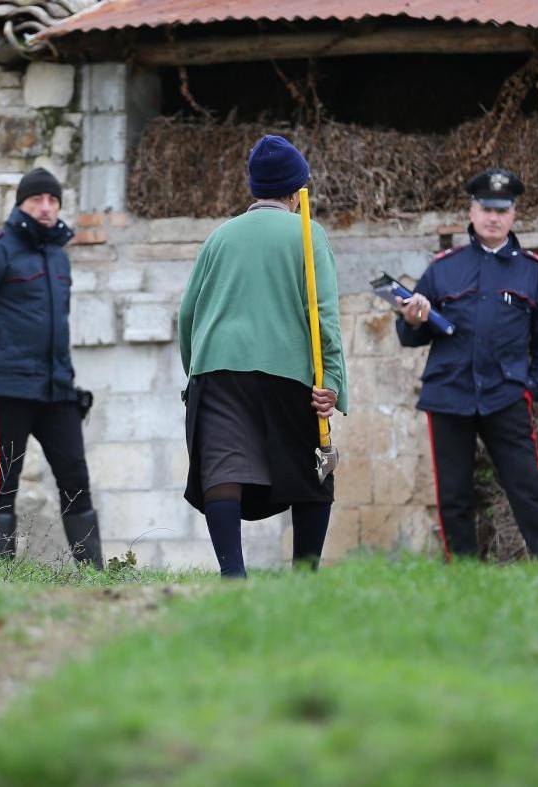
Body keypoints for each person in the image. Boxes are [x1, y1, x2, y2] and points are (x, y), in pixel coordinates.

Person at [178, 135, 348, 578]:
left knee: (223, 466)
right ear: (296, 191)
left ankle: (232, 574)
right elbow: (323, 315)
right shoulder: (308, 234)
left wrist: (193, 374)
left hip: (215, 367)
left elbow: (187, 314)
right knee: (314, 471)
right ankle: (305, 577)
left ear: (254, 188)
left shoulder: (219, 237)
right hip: (288, 370)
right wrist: (333, 387)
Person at [394, 168, 538, 562]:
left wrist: (532, 386)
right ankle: (465, 574)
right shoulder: (443, 268)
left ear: (513, 216)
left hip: (505, 396)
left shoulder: (534, 271)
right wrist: (411, 318)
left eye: (502, 210)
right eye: (485, 208)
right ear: (471, 212)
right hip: (449, 394)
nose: (493, 217)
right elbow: (411, 335)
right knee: (454, 493)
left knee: (527, 488)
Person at [0, 168, 103, 568]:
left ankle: (95, 575)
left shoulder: (58, 258)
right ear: (21, 204)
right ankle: (1, 574)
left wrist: (65, 381)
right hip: (6, 386)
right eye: (37, 200)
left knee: (75, 478)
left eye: (53, 200)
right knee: (4, 481)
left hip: (56, 390)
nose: (46, 208)